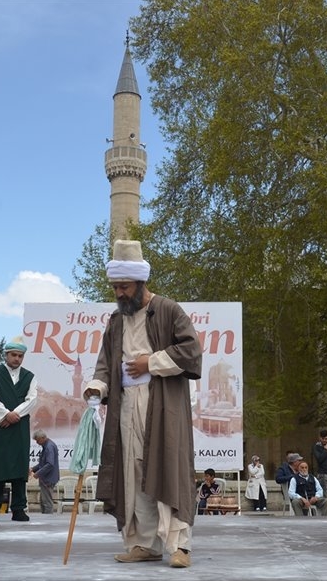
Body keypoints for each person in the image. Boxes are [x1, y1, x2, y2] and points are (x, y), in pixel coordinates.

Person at [82, 239, 202, 569]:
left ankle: (180, 547)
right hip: (125, 406)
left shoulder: (168, 310)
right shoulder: (115, 321)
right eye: (116, 287)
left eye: (124, 286)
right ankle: (143, 543)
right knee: (133, 474)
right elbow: (105, 363)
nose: (119, 293)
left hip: (161, 405)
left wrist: (151, 363)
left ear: (140, 282)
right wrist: (97, 387)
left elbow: (191, 352)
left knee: (166, 470)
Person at [0, 337, 38, 523]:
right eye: (14, 355)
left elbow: (32, 400)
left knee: (19, 466)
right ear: (7, 355)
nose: (17, 359)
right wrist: (5, 415)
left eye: (20, 356)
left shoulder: (30, 376)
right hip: (0, 426)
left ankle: (18, 508)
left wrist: (14, 415)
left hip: (19, 426)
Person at [31, 429, 59, 515]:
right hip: (47, 479)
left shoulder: (49, 447)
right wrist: (33, 469)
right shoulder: (47, 446)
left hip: (48, 479)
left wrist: (38, 473)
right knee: (43, 501)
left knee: (47, 502)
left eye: (38, 440)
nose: (37, 443)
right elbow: (42, 463)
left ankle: (48, 521)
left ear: (43, 438)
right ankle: (45, 518)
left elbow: (50, 464)